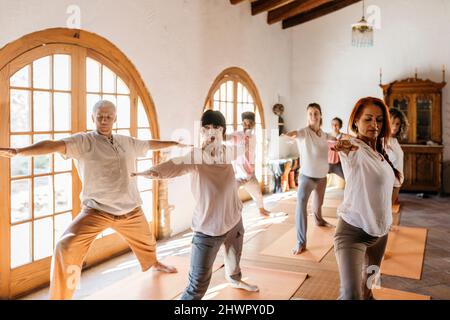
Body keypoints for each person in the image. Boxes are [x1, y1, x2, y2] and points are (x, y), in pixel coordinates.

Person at [0, 100, 188, 300]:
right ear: (93, 118)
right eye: (100, 116)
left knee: (148, 242)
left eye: (108, 117)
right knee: (65, 246)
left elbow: (150, 144)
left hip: (131, 210)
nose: (104, 120)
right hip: (96, 211)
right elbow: (53, 146)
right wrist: (20, 152)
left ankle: (153, 263)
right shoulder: (83, 142)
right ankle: (60, 297)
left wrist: (175, 143)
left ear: (115, 118)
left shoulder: (127, 141)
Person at [132, 110, 259, 300]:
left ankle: (234, 279)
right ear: (202, 132)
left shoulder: (227, 152)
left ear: (222, 131)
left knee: (234, 258)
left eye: (216, 127)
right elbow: (176, 164)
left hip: (234, 219)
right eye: (207, 128)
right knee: (196, 286)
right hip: (209, 228)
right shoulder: (196, 157)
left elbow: (242, 148)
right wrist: (152, 172)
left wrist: (248, 139)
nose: (211, 131)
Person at [333, 97, 401, 300]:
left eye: (379, 120)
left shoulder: (379, 152)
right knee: (351, 295)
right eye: (368, 119)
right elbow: (346, 146)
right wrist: (343, 145)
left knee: (369, 288)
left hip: (380, 236)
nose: (374, 125)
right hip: (352, 233)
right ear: (355, 122)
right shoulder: (354, 148)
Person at [284, 103, 335, 255]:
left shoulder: (325, 135)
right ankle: (301, 242)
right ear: (307, 116)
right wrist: (285, 136)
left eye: (316, 113)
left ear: (320, 116)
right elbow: (293, 133)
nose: (313, 116)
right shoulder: (303, 132)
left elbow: (336, 138)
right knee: (301, 205)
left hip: (321, 177)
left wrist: (345, 139)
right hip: (307, 177)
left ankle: (319, 220)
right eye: (310, 113)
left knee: (318, 206)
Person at [227, 111, 270, 216]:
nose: (248, 126)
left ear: (254, 124)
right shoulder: (237, 135)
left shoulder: (253, 137)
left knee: (258, 194)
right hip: (238, 175)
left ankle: (261, 210)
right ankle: (230, 213)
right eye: (245, 123)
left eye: (250, 123)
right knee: (230, 194)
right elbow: (227, 138)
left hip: (250, 174)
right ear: (242, 124)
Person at [387, 108, 408, 205]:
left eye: (397, 124)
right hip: (389, 184)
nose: (395, 127)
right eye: (392, 123)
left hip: (396, 183)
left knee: (387, 215)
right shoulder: (382, 140)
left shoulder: (394, 140)